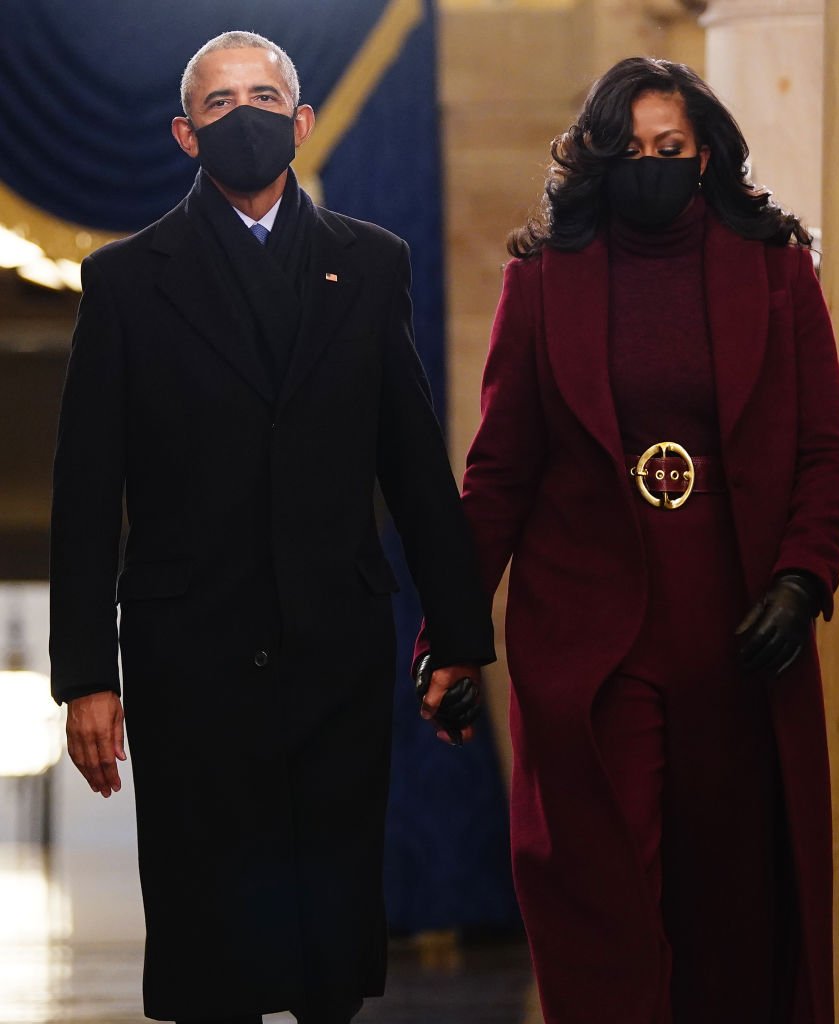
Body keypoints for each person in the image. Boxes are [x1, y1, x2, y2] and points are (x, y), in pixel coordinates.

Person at [49, 30, 494, 1024]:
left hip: (333, 649)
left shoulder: (371, 266)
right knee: (215, 949)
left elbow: (414, 466)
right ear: (184, 134)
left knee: (329, 940)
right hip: (188, 660)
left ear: (300, 122)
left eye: (262, 96)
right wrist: (86, 674)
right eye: (218, 103)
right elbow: (84, 493)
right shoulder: (125, 282)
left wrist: (458, 639)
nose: (241, 114)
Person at [426, 57, 839, 1024]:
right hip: (589, 647)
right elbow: (497, 475)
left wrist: (802, 579)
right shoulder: (542, 280)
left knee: (733, 919)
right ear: (592, 160)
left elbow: (826, 452)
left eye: (670, 148)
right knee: (602, 909)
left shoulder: (778, 268)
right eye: (626, 151)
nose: (650, 165)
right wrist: (449, 635)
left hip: (738, 640)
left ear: (706, 153)